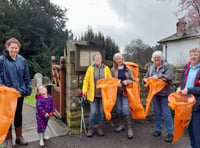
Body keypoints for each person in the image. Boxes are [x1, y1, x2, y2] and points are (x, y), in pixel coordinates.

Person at [0, 38, 32, 148]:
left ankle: (19, 137)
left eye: (16, 48)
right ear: (7, 47)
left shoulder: (22, 60)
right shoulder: (2, 60)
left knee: (18, 114)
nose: (14, 49)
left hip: (19, 93)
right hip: (7, 94)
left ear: (19, 48)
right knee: (8, 115)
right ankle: (8, 139)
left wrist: (27, 89)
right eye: (12, 47)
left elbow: (26, 76)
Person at [143, 50, 174, 143]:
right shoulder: (151, 68)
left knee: (166, 113)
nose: (156, 59)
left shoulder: (167, 66)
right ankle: (158, 129)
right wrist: (145, 80)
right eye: (155, 58)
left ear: (161, 58)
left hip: (165, 94)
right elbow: (145, 77)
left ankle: (170, 133)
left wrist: (159, 76)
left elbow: (170, 77)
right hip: (155, 94)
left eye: (158, 57)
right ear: (153, 59)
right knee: (157, 112)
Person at [82, 52, 112, 137]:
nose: (97, 59)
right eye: (96, 58)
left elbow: (110, 80)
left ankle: (100, 128)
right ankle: (90, 129)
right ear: (94, 60)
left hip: (103, 95)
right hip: (93, 95)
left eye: (99, 58)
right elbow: (86, 80)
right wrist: (84, 90)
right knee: (93, 112)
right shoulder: (90, 68)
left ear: (101, 59)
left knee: (101, 112)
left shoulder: (106, 68)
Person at [176, 48, 200, 148]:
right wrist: (179, 88)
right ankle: (193, 145)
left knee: (197, 129)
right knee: (189, 127)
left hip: (198, 104)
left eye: (195, 55)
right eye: (191, 55)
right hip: (186, 103)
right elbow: (183, 83)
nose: (193, 57)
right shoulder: (187, 67)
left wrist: (189, 90)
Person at [111, 53, 134, 139]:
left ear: (122, 59)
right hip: (116, 92)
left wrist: (127, 82)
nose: (119, 61)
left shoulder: (127, 69)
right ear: (115, 61)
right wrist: (116, 83)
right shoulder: (112, 70)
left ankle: (130, 128)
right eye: (117, 59)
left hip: (125, 92)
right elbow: (110, 80)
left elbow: (132, 79)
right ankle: (121, 125)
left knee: (125, 109)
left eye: (120, 59)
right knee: (119, 108)